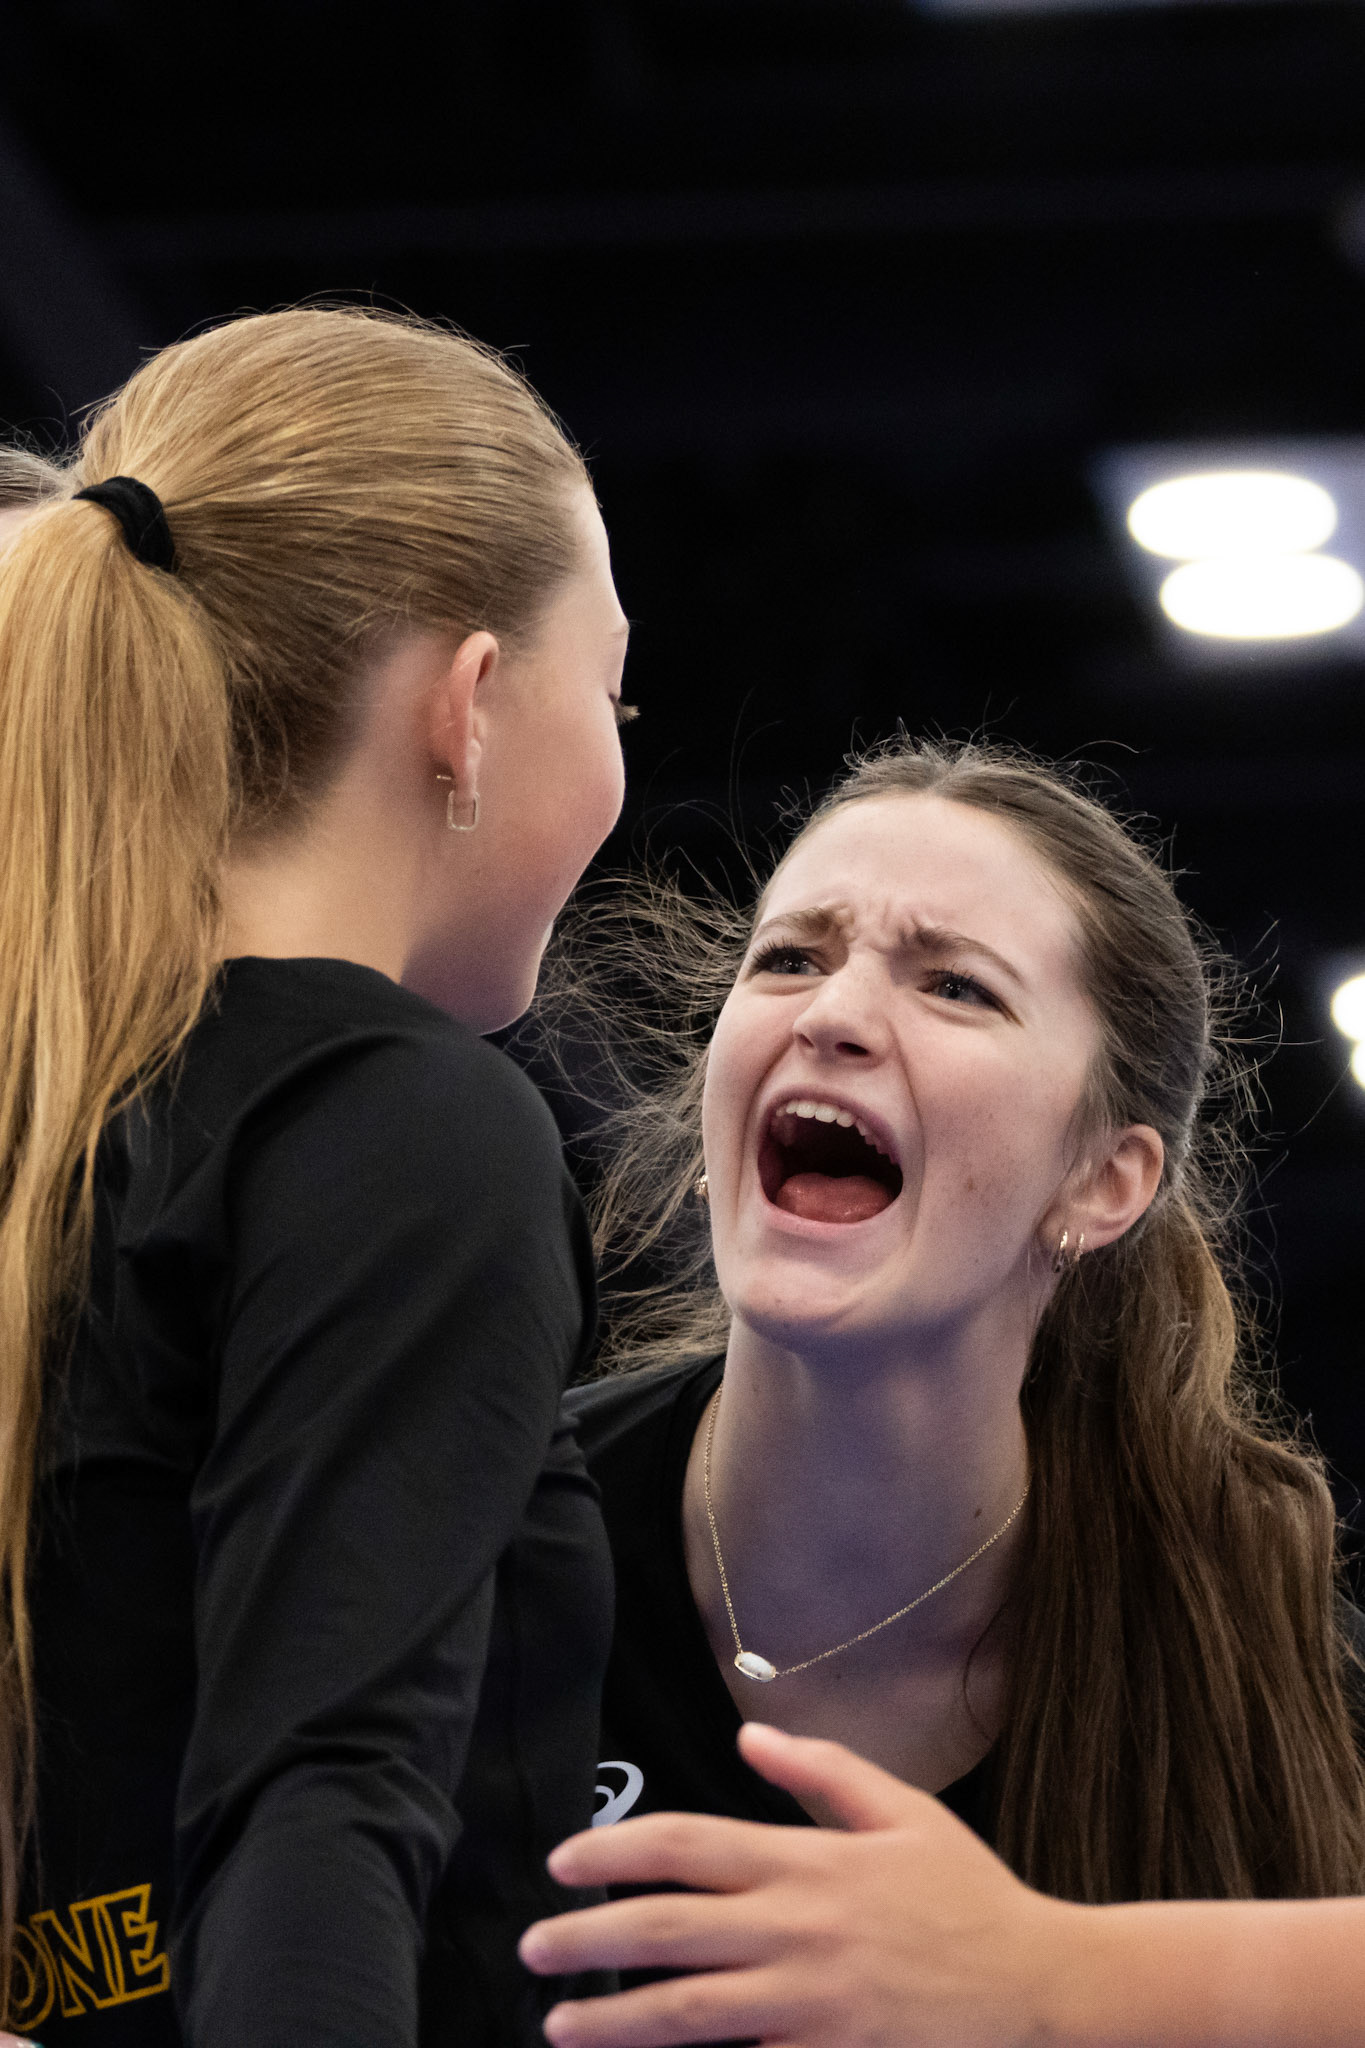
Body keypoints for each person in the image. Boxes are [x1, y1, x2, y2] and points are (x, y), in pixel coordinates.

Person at [0, 307, 633, 2048]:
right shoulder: (393, 1121)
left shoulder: (54, 1104)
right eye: (613, 691)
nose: (618, 753)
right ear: (469, 706)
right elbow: (322, 1798)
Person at [517, 736, 1365, 2034]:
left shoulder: (1245, 1631)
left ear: (1103, 1183)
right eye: (788, 958)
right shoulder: (486, 1539)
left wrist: (1048, 1979)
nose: (831, 1014)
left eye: (956, 986)